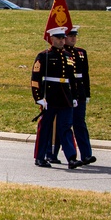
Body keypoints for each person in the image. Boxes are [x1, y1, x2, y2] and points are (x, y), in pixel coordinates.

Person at [31, 27, 81, 169]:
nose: (61, 41)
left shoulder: (67, 56)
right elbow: (35, 78)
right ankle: (40, 157)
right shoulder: (44, 55)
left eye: (62, 38)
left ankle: (71, 158)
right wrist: (38, 97)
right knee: (45, 128)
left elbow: (72, 79)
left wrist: (75, 96)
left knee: (65, 127)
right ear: (52, 39)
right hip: (50, 96)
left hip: (65, 97)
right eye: (58, 38)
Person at [66, 26, 96, 165]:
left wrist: (87, 93)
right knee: (64, 125)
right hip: (66, 93)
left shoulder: (81, 53)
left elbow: (85, 75)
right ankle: (53, 153)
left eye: (74, 36)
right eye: (70, 36)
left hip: (80, 92)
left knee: (80, 124)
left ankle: (86, 154)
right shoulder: (62, 53)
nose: (73, 38)